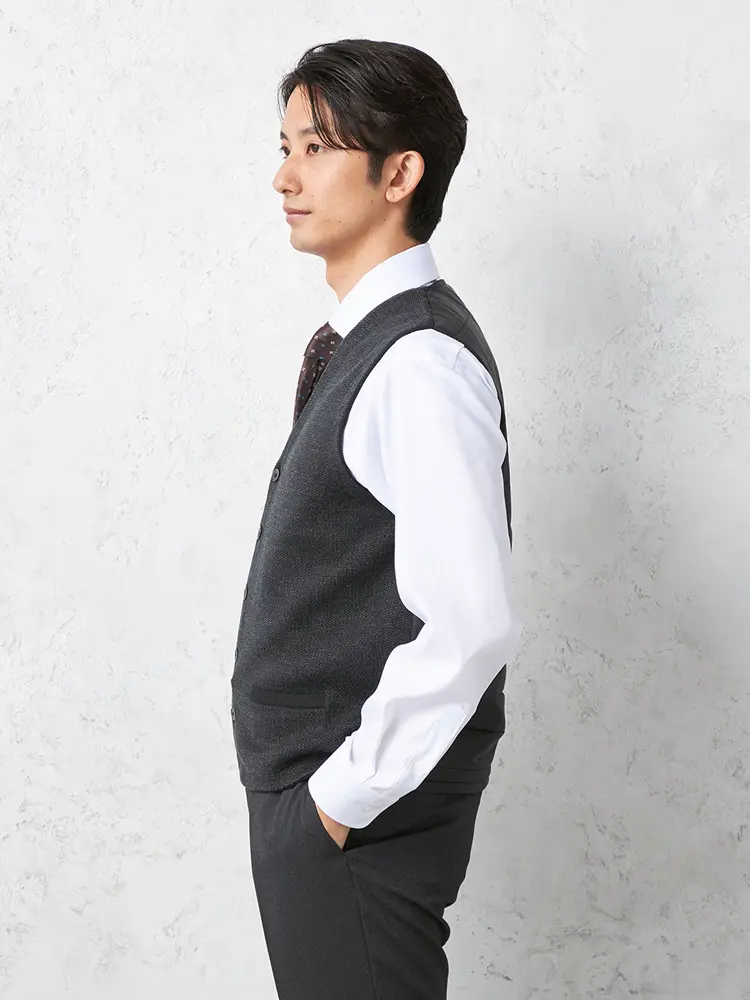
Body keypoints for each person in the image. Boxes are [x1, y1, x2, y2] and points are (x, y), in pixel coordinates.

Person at [230, 37, 523, 1000]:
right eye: (285, 148)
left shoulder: (419, 363)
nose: (284, 177)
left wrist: (337, 801)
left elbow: (472, 623)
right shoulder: (374, 346)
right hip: (329, 802)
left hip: (354, 811)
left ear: (400, 174)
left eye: (316, 148)